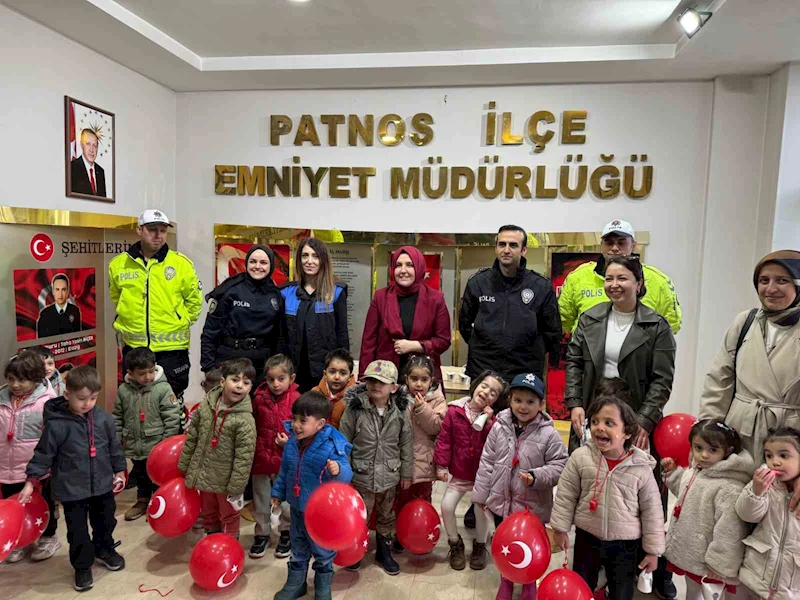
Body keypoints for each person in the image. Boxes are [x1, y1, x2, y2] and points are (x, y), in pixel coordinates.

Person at [18, 366, 127, 592]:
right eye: (82, 399)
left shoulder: (104, 419)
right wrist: (31, 481)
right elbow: (43, 454)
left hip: (102, 485)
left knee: (106, 521)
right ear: (67, 394)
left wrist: (119, 470)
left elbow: (114, 447)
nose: (87, 404)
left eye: (93, 398)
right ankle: (82, 566)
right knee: (77, 531)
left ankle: (104, 549)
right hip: (71, 489)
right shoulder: (56, 424)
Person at [550, 395, 665, 600]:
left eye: (609, 423)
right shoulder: (581, 457)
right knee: (581, 587)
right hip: (587, 537)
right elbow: (566, 494)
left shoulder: (641, 468)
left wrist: (652, 552)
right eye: (595, 421)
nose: (599, 428)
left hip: (625, 544)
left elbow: (653, 512)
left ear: (627, 432)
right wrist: (560, 528)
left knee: (622, 592)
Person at [566, 256, 676, 453]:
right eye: (609, 279)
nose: (614, 284)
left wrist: (645, 419)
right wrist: (575, 404)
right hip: (594, 411)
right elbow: (574, 363)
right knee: (588, 468)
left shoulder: (657, 326)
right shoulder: (589, 318)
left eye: (622, 278)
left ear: (638, 284)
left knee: (630, 469)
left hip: (634, 415)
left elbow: (662, 380)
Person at [472, 372, 568, 597]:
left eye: (530, 402)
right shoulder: (499, 426)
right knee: (506, 544)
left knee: (529, 546)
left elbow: (560, 465)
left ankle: (529, 581)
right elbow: (487, 462)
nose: (523, 407)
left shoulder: (549, 433)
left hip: (532, 507)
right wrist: (481, 495)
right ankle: (506, 580)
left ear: (541, 404)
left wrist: (536, 476)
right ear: (510, 400)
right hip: (502, 503)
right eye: (518, 400)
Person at [700, 250, 800, 460]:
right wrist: (708, 433)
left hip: (788, 443)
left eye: (782, 280)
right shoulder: (745, 322)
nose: (771, 289)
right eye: (764, 280)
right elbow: (719, 381)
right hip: (739, 435)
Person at [109, 209, 203, 399]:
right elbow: (116, 297)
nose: (158, 235)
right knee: (134, 400)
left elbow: (194, 302)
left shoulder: (181, 264)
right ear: (139, 230)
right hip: (134, 348)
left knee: (171, 402)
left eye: (163, 230)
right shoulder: (118, 264)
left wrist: (180, 320)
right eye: (152, 229)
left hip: (172, 350)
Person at [271, 391, 353, 600]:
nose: (296, 425)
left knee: (323, 550)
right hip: (297, 508)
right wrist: (277, 492)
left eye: (303, 420)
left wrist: (338, 470)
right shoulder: (292, 443)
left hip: (321, 514)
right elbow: (285, 470)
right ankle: (296, 583)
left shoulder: (332, 445)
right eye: (294, 418)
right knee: (297, 546)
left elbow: (346, 474)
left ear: (320, 424)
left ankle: (322, 586)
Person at [661, 419, 753, 600]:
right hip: (690, 551)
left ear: (727, 451)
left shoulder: (729, 488)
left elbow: (729, 530)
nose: (704, 455)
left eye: (713, 450)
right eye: (698, 448)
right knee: (692, 592)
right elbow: (686, 493)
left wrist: (719, 564)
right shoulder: (697, 470)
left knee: (705, 594)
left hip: (707, 561)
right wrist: (673, 474)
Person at [459, 224, 560, 383]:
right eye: (502, 244)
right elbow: (464, 325)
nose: (506, 250)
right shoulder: (477, 283)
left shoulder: (541, 287)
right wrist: (484, 347)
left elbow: (552, 333)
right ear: (496, 248)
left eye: (513, 245)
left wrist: (529, 351)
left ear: (524, 250)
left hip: (524, 374)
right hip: (482, 371)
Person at [339, 360, 413, 575]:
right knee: (359, 515)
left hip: (389, 475)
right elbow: (343, 442)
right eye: (371, 380)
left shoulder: (400, 412)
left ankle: (383, 549)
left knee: (386, 515)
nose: (375, 385)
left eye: (381, 382)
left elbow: (406, 444)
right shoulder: (355, 409)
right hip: (361, 476)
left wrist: (406, 473)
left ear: (393, 387)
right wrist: (344, 473)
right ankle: (355, 548)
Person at [434, 370, 507, 571]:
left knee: (481, 511)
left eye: (493, 393)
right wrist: (441, 465)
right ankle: (454, 542)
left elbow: (497, 444)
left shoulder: (495, 421)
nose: (486, 392)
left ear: (496, 400)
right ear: (475, 385)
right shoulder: (454, 411)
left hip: (482, 477)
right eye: (484, 386)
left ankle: (480, 545)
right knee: (447, 506)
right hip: (460, 473)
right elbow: (444, 440)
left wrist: (489, 423)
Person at [177, 358, 257, 539]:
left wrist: (236, 486)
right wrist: (185, 463)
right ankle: (212, 538)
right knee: (208, 511)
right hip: (205, 474)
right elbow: (193, 437)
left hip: (226, 481)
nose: (240, 386)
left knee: (229, 514)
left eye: (246, 383)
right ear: (222, 382)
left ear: (250, 388)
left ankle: (229, 542)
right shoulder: (206, 406)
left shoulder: (245, 420)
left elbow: (244, 458)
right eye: (235, 380)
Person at [558, 219, 682, 334]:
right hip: (587, 349)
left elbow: (670, 325)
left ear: (633, 245)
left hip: (639, 350)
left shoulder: (659, 281)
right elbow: (564, 321)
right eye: (609, 243)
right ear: (601, 245)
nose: (615, 248)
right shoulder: (577, 278)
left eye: (621, 242)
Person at [360, 246, 451, 384]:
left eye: (409, 265)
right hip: (385, 378)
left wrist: (415, 345)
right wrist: (363, 379)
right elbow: (368, 343)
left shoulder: (436, 299)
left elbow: (443, 341)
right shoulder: (380, 297)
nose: (403, 270)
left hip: (421, 380)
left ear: (419, 268)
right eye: (398, 265)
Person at [0, 352, 58, 563]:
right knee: (14, 505)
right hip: (6, 468)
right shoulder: (1, 399)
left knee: (43, 504)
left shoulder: (47, 402)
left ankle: (48, 537)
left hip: (37, 469)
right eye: (11, 379)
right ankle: (21, 539)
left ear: (36, 378)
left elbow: (51, 438)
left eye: (22, 380)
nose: (15, 385)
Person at [112, 347, 181, 521]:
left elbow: (172, 417)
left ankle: (159, 503)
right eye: (142, 374)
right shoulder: (123, 390)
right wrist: (116, 439)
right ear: (130, 373)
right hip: (135, 444)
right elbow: (117, 417)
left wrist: (166, 445)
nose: (148, 376)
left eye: (151, 371)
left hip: (157, 446)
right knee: (141, 474)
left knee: (158, 477)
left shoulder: (163, 388)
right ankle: (142, 501)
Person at [201, 245, 285, 381]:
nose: (257, 266)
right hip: (230, 361)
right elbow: (210, 332)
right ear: (246, 263)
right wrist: (208, 368)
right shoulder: (229, 290)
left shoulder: (275, 294)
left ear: (271, 266)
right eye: (253, 261)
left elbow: (279, 335)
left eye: (263, 262)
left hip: (263, 365)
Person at [736, 427, 800, 600]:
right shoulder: (765, 485)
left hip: (791, 588)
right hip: (756, 576)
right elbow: (746, 515)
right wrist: (756, 492)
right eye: (769, 456)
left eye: (784, 455)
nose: (775, 462)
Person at [392, 354, 447, 553]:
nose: (418, 384)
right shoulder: (398, 398)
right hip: (403, 460)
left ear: (431, 381)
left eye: (424, 379)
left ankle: (424, 533)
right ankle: (401, 533)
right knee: (402, 499)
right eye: (414, 379)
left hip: (425, 461)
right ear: (406, 379)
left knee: (423, 498)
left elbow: (437, 426)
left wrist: (422, 408)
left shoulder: (437, 399)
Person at [282, 238, 349, 392]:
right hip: (294, 371)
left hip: (324, 372)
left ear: (323, 260)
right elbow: (281, 336)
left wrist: (344, 367)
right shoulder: (286, 292)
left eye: (315, 256)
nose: (309, 261)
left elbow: (342, 333)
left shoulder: (336, 292)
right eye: (305, 256)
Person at [249, 354, 300, 559]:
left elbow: (303, 430)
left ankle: (286, 533)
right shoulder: (258, 399)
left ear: (291, 378)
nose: (276, 384)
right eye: (271, 379)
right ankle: (262, 534)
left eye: (281, 379)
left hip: (285, 462)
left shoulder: (297, 400)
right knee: (261, 500)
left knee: (286, 501)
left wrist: (290, 442)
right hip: (261, 460)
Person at [311, 348, 356, 430]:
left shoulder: (353, 399)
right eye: (332, 372)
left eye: (343, 373)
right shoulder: (314, 393)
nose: (337, 377)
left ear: (350, 377)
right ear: (325, 374)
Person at [37, 274, 82, 338]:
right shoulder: (44, 314)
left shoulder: (75, 311)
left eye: (63, 289)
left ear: (67, 291)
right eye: (57, 289)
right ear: (53, 291)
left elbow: (78, 339)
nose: (60, 294)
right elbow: (41, 342)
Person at [70, 129, 107, 197]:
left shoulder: (100, 171)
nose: (91, 150)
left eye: (94, 145)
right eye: (88, 144)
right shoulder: (72, 168)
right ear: (82, 145)